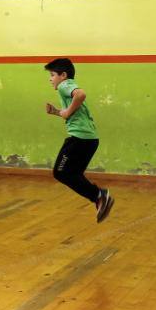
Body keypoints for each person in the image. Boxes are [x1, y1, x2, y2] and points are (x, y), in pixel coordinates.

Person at [44, 58, 113, 223]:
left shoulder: (64, 85)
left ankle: (99, 196)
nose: (50, 79)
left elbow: (81, 95)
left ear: (63, 75)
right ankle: (99, 198)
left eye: (52, 75)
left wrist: (66, 113)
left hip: (79, 140)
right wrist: (56, 112)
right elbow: (71, 111)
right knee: (73, 174)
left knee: (60, 173)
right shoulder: (67, 86)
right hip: (90, 140)